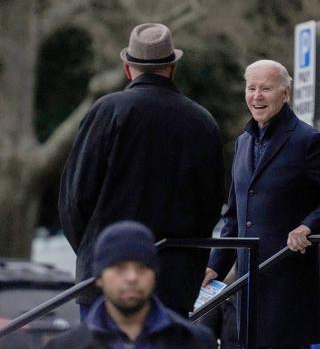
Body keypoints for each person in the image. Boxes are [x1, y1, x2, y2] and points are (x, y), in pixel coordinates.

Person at [58, 23, 224, 318]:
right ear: (172, 68)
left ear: (127, 68)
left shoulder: (108, 111)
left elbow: (74, 198)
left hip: (106, 278)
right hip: (175, 279)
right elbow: (209, 206)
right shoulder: (202, 121)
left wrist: (98, 252)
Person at [203, 59, 320, 348]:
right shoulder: (243, 142)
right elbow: (234, 216)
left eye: (266, 88)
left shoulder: (308, 141)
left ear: (285, 94)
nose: (257, 96)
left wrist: (310, 226)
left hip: (288, 291)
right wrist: (215, 267)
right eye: (251, 88)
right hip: (246, 293)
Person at [43, 221, 217, 349]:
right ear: (99, 277)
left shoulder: (195, 342)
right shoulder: (66, 346)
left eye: (142, 268)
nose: (132, 277)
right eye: (120, 268)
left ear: (154, 275)